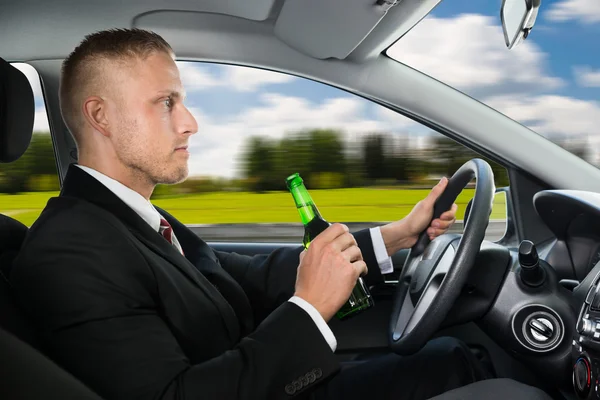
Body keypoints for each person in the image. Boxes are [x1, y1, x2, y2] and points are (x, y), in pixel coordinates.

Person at [10, 29, 551, 400]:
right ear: (100, 115)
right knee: (463, 368)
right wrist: (310, 308)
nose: (191, 121)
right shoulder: (70, 247)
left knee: (451, 356)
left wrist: (398, 236)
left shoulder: (136, 220)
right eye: (166, 102)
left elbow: (253, 275)